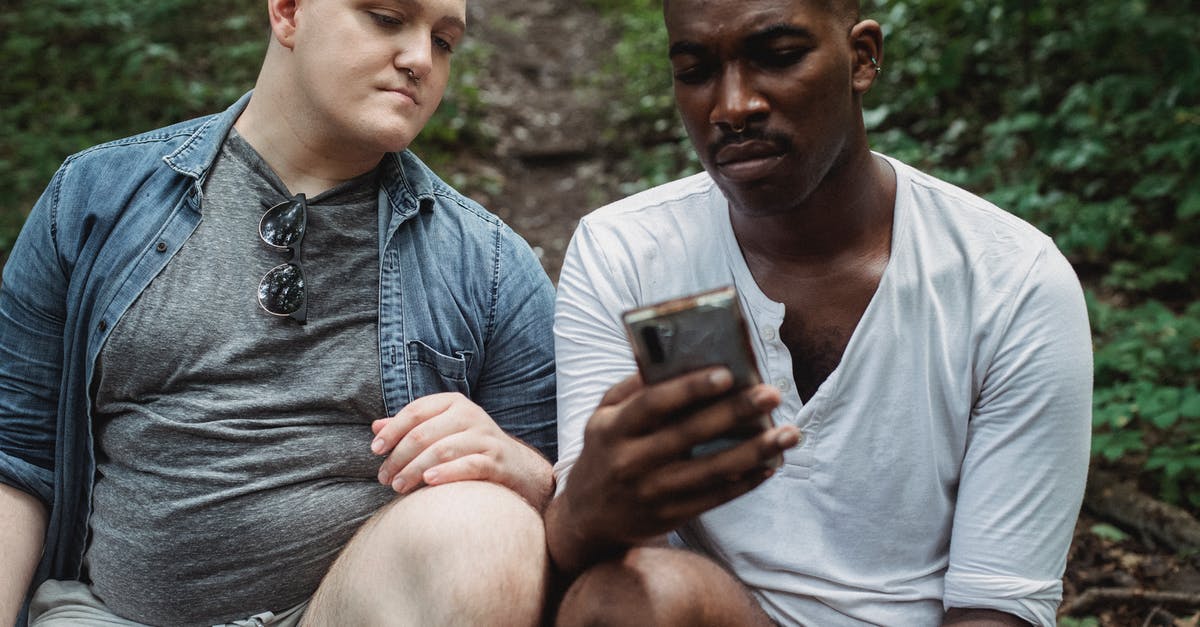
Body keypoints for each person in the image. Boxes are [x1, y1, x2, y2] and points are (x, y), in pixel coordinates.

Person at [0, 0, 558, 624]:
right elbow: (15, 462)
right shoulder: (93, 200)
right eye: (386, 17)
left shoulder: (492, 266)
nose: (420, 59)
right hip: (104, 616)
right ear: (288, 12)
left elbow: (573, 517)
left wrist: (522, 470)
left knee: (489, 526)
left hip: (340, 613)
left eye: (445, 41)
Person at [545, 0, 1093, 625]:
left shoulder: (1009, 280)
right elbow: (593, 560)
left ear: (862, 58)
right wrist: (589, 504)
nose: (732, 107)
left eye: (778, 58)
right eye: (695, 71)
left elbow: (999, 604)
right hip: (718, 610)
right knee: (619, 598)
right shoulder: (630, 252)